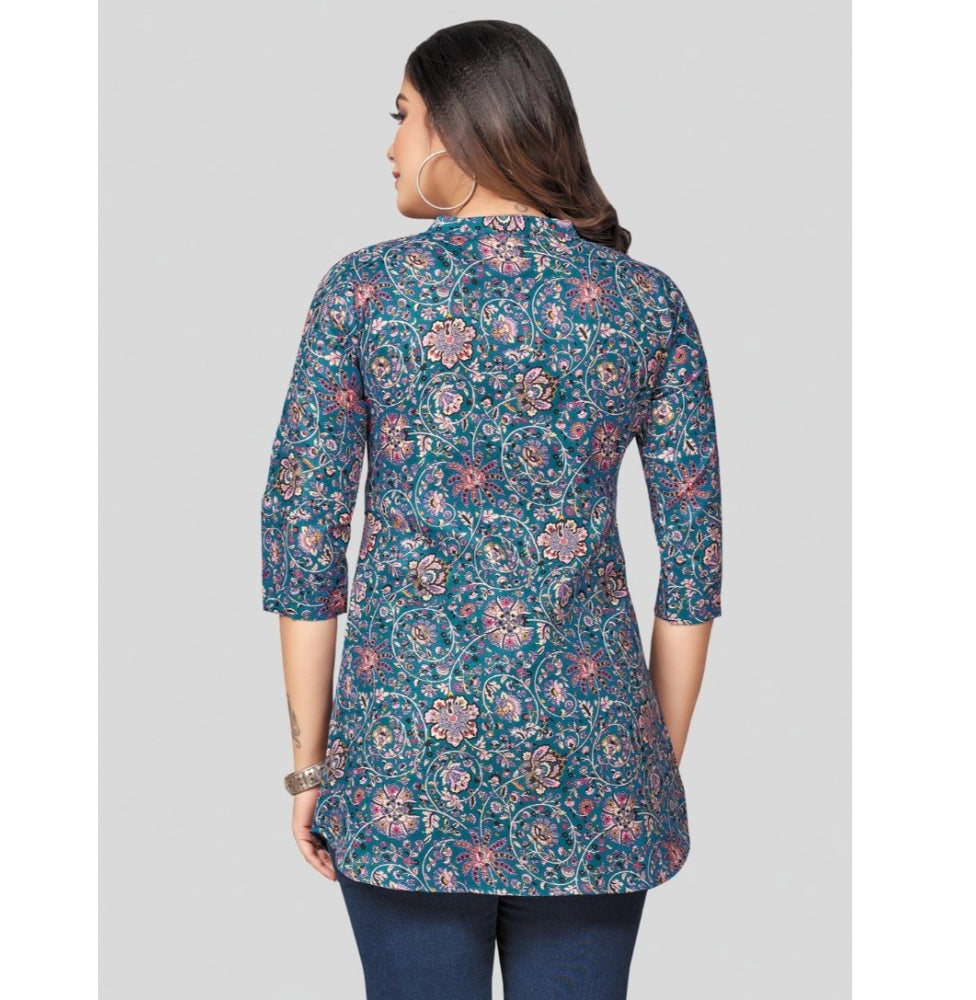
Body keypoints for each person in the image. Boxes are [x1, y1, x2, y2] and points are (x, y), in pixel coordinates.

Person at [260, 19, 723, 1000]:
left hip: (403, 772)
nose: (391, 145)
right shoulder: (647, 304)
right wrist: (644, 763)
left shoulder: (363, 294)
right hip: (598, 763)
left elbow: (305, 544)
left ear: (455, 128)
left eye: (402, 115)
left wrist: (308, 769)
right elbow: (693, 568)